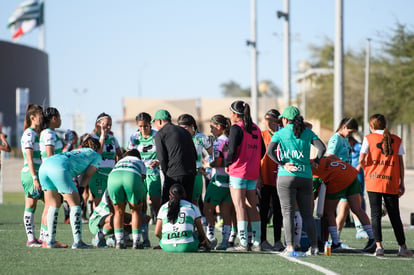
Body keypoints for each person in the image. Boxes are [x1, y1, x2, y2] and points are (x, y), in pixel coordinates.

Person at [267, 106, 326, 255]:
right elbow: (322, 148)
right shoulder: (307, 132)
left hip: (286, 176)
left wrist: (283, 163)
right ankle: (314, 247)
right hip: (305, 176)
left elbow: (269, 152)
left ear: (285, 119)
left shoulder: (280, 133)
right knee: (307, 214)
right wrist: (316, 162)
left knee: (288, 213)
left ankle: (290, 247)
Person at [359, 114, 413, 257]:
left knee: (375, 215)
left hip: (373, 181)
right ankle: (402, 248)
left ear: (371, 126)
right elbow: (400, 163)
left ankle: (379, 247)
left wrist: (368, 170)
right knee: (395, 215)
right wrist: (401, 182)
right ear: (385, 124)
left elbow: (361, 159)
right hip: (390, 181)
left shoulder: (368, 139)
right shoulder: (397, 139)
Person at [38, 135, 102, 249]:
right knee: (75, 205)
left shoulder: (77, 151)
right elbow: (88, 174)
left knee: (54, 204)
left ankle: (50, 241)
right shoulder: (96, 155)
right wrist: (81, 189)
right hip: (59, 167)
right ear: (97, 148)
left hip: (45, 166)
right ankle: (78, 242)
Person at [311, 157, 375, 252]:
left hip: (339, 178)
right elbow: (334, 158)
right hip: (351, 173)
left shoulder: (312, 172)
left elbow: (310, 198)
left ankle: (335, 243)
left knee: (328, 212)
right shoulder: (320, 159)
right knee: (357, 209)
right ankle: (373, 238)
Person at [225, 100, 264, 251]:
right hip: (252, 173)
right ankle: (256, 243)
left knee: (240, 206)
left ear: (235, 114)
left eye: (230, 112)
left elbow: (232, 150)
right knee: (252, 206)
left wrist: (228, 164)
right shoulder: (256, 128)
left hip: (238, 172)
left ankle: (243, 243)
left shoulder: (236, 128)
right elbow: (262, 151)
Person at [326, 117, 365, 240]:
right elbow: (329, 155)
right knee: (340, 208)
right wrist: (341, 164)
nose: (351, 134)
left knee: (351, 205)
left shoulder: (345, 139)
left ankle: (337, 238)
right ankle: (334, 239)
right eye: (350, 131)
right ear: (343, 127)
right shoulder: (336, 138)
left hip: (347, 177)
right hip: (339, 178)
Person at [128, 112, 161, 247]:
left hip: (154, 173)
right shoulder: (134, 137)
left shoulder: (157, 135)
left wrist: (158, 161)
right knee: (140, 206)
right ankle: (145, 239)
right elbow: (129, 154)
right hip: (139, 174)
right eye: (140, 126)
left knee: (156, 204)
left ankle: (162, 238)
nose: (143, 129)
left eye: (145, 126)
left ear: (150, 124)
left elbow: (164, 153)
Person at [152, 109, 197, 204]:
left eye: (155, 123)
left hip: (174, 175)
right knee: (186, 204)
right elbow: (194, 154)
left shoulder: (160, 134)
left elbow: (162, 158)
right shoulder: (184, 131)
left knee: (168, 204)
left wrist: (166, 175)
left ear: (159, 121)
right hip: (190, 173)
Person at [38, 107, 68, 247]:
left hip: (46, 171)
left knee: (49, 205)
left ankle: (45, 238)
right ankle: (50, 239)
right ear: (54, 119)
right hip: (50, 171)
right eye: (59, 117)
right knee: (54, 204)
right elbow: (50, 156)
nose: (61, 120)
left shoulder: (47, 133)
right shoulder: (49, 133)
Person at [107, 149, 146, 249]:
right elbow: (141, 179)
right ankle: (136, 242)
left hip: (113, 176)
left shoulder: (120, 161)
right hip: (131, 175)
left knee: (118, 212)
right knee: (135, 211)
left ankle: (119, 242)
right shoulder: (139, 162)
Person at [203, 114, 232, 250]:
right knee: (226, 213)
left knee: (207, 209)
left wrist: (208, 165)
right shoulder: (231, 139)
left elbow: (218, 162)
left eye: (212, 127)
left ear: (219, 127)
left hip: (218, 181)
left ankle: (210, 238)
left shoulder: (218, 141)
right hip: (231, 181)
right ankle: (225, 241)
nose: (211, 131)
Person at [257, 109, 284, 252]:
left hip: (281, 179)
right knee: (263, 211)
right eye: (265, 118)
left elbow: (308, 126)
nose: (265, 121)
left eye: (269, 119)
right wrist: (258, 177)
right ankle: (262, 240)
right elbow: (257, 158)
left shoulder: (283, 134)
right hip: (265, 177)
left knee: (278, 211)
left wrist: (280, 123)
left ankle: (278, 241)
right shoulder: (262, 135)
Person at [154, 184, 210, 252]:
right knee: (196, 234)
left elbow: (157, 233)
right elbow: (201, 234)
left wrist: (165, 239)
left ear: (170, 196)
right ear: (185, 195)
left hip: (167, 247)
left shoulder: (163, 207)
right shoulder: (192, 207)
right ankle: (205, 245)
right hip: (187, 246)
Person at [20, 104, 44, 247]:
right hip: (31, 174)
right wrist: (35, 177)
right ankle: (32, 239)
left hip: (37, 173)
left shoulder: (36, 134)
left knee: (50, 203)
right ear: (32, 117)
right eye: (40, 115)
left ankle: (41, 237)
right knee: (31, 205)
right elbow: (29, 158)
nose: (42, 118)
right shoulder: (29, 134)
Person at [177, 114, 213, 205]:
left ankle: (195, 219)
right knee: (182, 200)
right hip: (182, 173)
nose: (182, 130)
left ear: (192, 126)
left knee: (194, 202)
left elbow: (212, 154)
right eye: (180, 128)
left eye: (185, 128)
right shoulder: (177, 137)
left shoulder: (201, 137)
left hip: (197, 173)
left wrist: (206, 166)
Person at [90, 113, 123, 207]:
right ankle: (96, 220)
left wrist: (118, 168)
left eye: (110, 125)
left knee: (112, 203)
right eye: (106, 124)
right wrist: (102, 136)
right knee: (99, 203)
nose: (108, 127)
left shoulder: (113, 139)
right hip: (98, 175)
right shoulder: (92, 139)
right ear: (98, 124)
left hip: (111, 175)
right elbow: (98, 153)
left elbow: (119, 155)